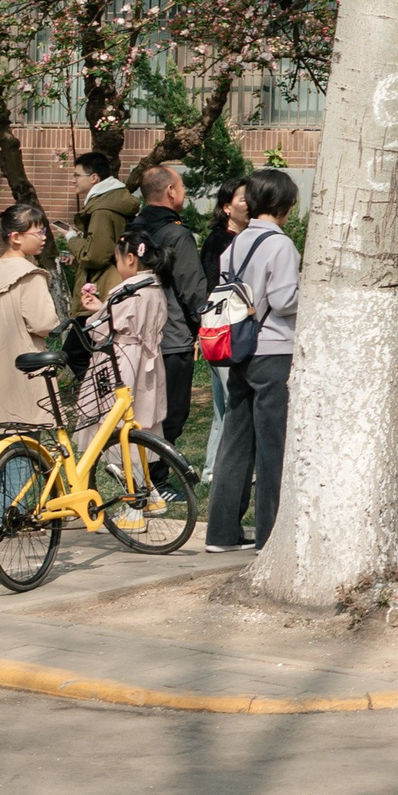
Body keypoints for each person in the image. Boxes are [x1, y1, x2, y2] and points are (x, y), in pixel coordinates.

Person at [204, 167, 300, 553]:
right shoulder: (281, 246)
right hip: (274, 350)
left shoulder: (237, 243)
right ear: (283, 205)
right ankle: (270, 535)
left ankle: (221, 534)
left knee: (235, 441)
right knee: (274, 445)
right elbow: (284, 300)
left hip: (238, 349)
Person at [129, 164, 207, 462]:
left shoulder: (131, 231)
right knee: (171, 412)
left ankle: (138, 475)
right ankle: (158, 478)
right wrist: (207, 324)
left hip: (135, 334)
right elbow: (193, 290)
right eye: (183, 188)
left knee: (141, 411)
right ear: (171, 191)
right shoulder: (176, 235)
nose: (184, 193)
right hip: (171, 336)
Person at [0, 206, 61, 449]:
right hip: (24, 376)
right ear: (16, 237)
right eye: (39, 232)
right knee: (24, 453)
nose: (44, 237)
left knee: (0, 454)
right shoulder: (30, 275)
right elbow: (44, 323)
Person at [72, 230, 168, 433]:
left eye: (118, 260)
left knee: (112, 416)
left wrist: (100, 312)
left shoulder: (126, 291)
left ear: (130, 259)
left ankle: (116, 460)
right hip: (148, 359)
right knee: (141, 413)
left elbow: (99, 332)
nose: (117, 266)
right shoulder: (155, 287)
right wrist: (103, 307)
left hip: (121, 359)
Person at [196, 177, 250, 482]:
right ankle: (230, 469)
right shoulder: (220, 241)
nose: (250, 203)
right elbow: (215, 287)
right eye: (243, 199)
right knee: (234, 401)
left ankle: (212, 470)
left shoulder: (248, 238)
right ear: (227, 207)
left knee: (224, 406)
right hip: (225, 331)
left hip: (228, 331)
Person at [64, 150, 139, 291]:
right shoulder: (113, 202)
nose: (73, 180)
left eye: (77, 175)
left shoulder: (101, 211)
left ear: (94, 178)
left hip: (102, 290)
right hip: (114, 284)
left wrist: (71, 238)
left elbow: (95, 257)